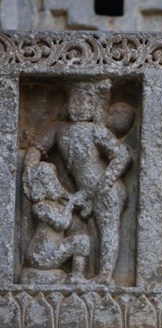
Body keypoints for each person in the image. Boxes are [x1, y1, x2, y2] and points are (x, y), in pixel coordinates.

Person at [36, 80, 131, 284]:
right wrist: (31, 166)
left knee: (107, 231)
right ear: (67, 104)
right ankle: (84, 274)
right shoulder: (59, 129)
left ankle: (105, 277)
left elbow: (122, 154)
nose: (79, 106)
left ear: (94, 107)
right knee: (89, 233)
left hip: (107, 190)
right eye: (74, 101)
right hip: (85, 192)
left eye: (85, 102)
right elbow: (38, 148)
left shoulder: (96, 131)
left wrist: (106, 181)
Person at [22, 150, 90, 284]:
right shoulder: (41, 207)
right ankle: (76, 277)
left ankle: (76, 276)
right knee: (82, 242)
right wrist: (70, 205)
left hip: (50, 250)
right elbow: (61, 224)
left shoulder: (55, 204)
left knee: (82, 240)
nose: (55, 184)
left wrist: (75, 200)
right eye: (50, 180)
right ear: (42, 186)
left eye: (54, 179)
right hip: (41, 255)